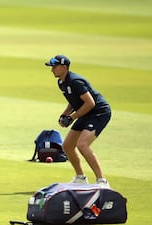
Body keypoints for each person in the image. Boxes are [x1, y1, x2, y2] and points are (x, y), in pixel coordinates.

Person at [45, 55, 111, 187]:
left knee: (82, 145)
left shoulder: (75, 81)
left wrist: (72, 117)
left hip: (98, 113)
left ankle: (102, 181)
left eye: (55, 66)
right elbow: (73, 101)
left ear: (64, 67)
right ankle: (80, 177)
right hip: (85, 112)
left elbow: (90, 103)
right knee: (67, 146)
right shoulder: (61, 82)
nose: (52, 69)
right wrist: (65, 114)